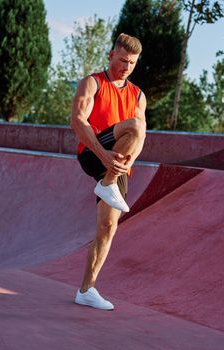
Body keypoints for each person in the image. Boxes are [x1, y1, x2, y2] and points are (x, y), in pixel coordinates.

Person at [71, 33, 146, 310]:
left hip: (117, 164)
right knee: (134, 127)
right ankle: (107, 181)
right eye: (123, 60)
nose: (127, 66)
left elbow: (141, 138)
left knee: (107, 226)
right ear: (111, 56)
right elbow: (78, 121)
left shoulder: (138, 95)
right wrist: (104, 155)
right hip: (93, 152)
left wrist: (126, 164)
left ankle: (86, 290)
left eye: (133, 63)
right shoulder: (93, 83)